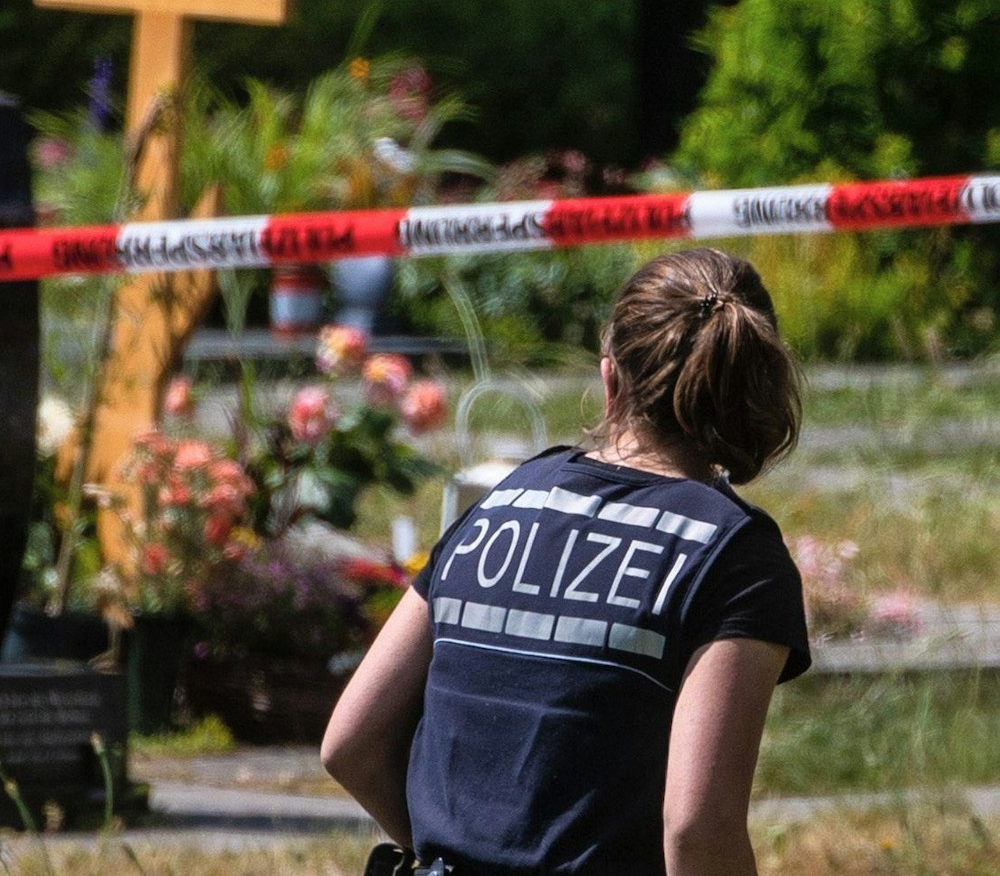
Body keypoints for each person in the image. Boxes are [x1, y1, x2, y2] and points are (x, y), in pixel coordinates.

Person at [322, 248, 812, 876]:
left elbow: (350, 744)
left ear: (611, 381)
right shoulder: (735, 555)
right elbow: (698, 830)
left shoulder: (508, 498)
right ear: (755, 387)